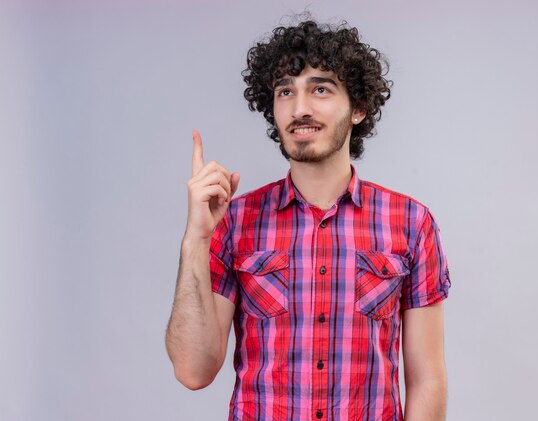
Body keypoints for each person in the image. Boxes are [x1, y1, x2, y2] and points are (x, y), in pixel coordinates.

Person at [165, 19, 452, 421]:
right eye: (286, 91)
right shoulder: (235, 221)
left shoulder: (410, 222)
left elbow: (427, 380)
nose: (300, 108)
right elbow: (193, 370)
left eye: (320, 89)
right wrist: (196, 238)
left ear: (359, 108)